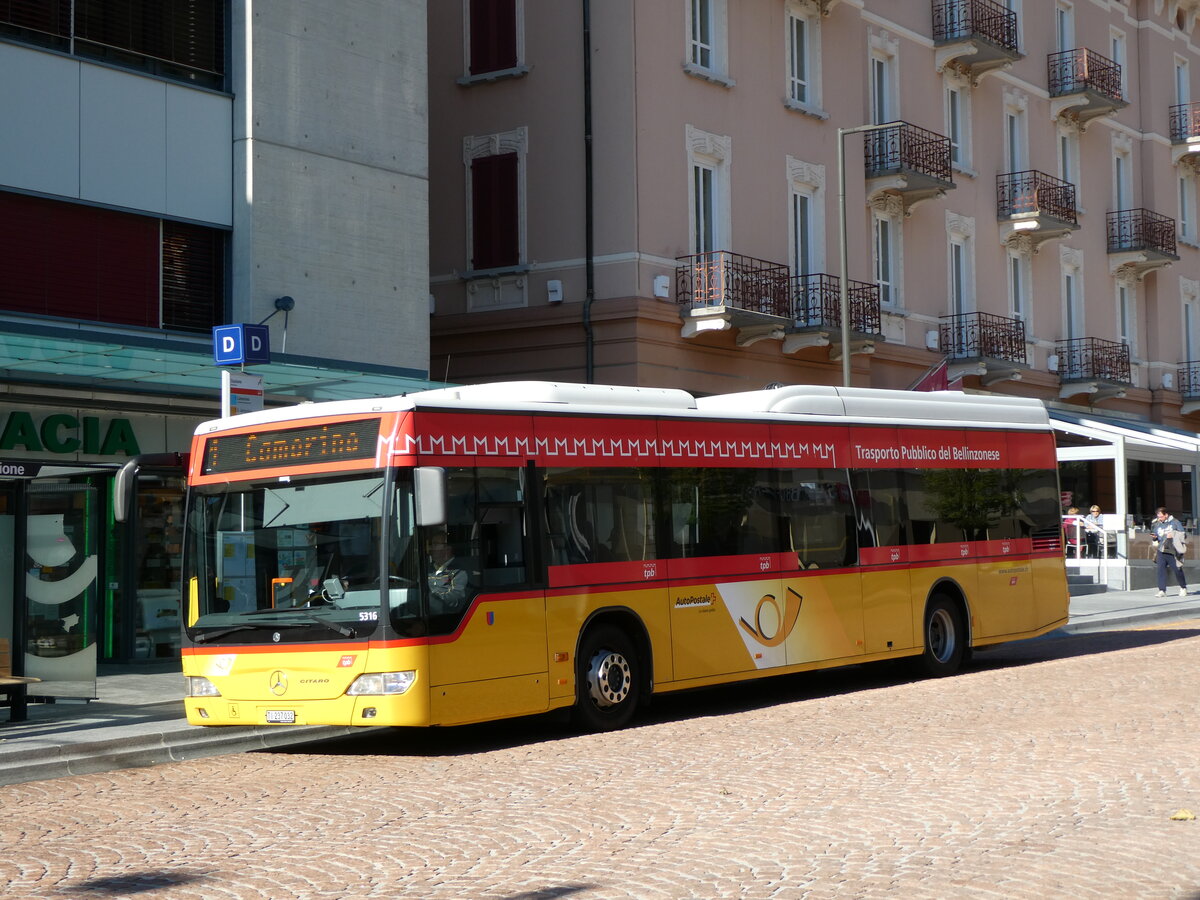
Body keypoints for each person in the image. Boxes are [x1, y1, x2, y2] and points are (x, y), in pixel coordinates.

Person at [426, 530, 469, 615]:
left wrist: (429, 596)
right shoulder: (428, 569)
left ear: (447, 548)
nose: (431, 548)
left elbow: (454, 599)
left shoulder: (459, 572)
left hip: (446, 617)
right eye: (431, 545)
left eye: (435, 544)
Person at [1150, 507, 1189, 598]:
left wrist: (1173, 534)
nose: (1159, 518)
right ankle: (1162, 590)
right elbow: (1155, 536)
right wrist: (1154, 537)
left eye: (1161, 516)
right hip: (1161, 550)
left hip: (1172, 550)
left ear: (1166, 515)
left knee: (1177, 569)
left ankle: (1183, 587)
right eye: (1158, 516)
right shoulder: (1157, 524)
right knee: (1161, 570)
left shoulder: (1175, 522)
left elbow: (1184, 535)